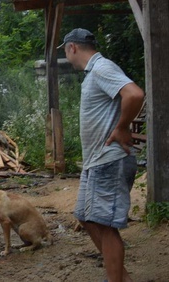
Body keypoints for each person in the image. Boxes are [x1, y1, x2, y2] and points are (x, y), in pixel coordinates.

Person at [60, 28, 144, 282]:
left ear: (72, 48)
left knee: (106, 227)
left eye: (65, 51)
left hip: (110, 159)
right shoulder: (94, 72)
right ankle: (121, 277)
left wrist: (121, 128)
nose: (67, 56)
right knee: (86, 217)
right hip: (96, 161)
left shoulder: (102, 68)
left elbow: (135, 94)